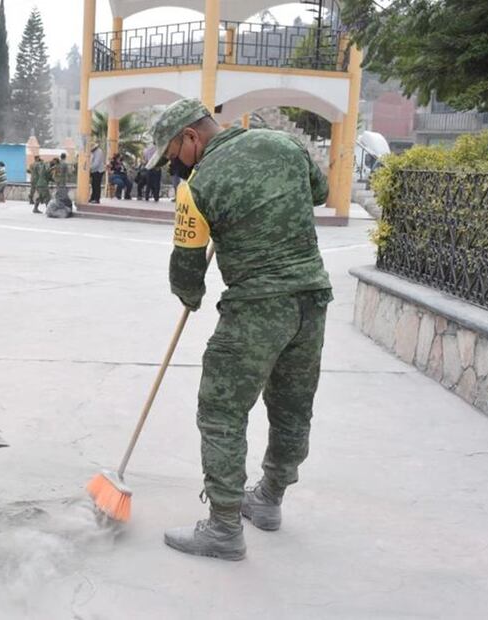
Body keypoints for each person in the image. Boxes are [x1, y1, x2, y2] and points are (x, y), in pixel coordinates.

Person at [150, 98, 333, 561]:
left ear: (191, 137)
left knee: (221, 412)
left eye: (173, 153)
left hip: (255, 308)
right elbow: (319, 192)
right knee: (293, 405)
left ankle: (224, 528)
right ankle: (269, 499)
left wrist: (189, 295)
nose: (174, 164)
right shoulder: (285, 144)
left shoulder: (197, 186)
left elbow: (186, 268)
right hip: (311, 300)